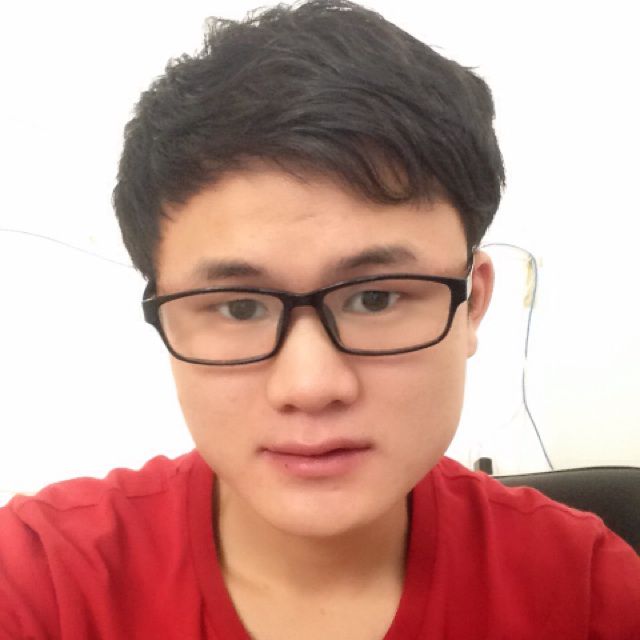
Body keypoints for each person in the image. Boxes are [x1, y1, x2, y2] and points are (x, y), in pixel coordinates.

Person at [1, 1, 639, 638]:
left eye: (376, 299)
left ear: (471, 303)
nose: (310, 386)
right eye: (239, 307)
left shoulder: (589, 590)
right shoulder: (41, 581)